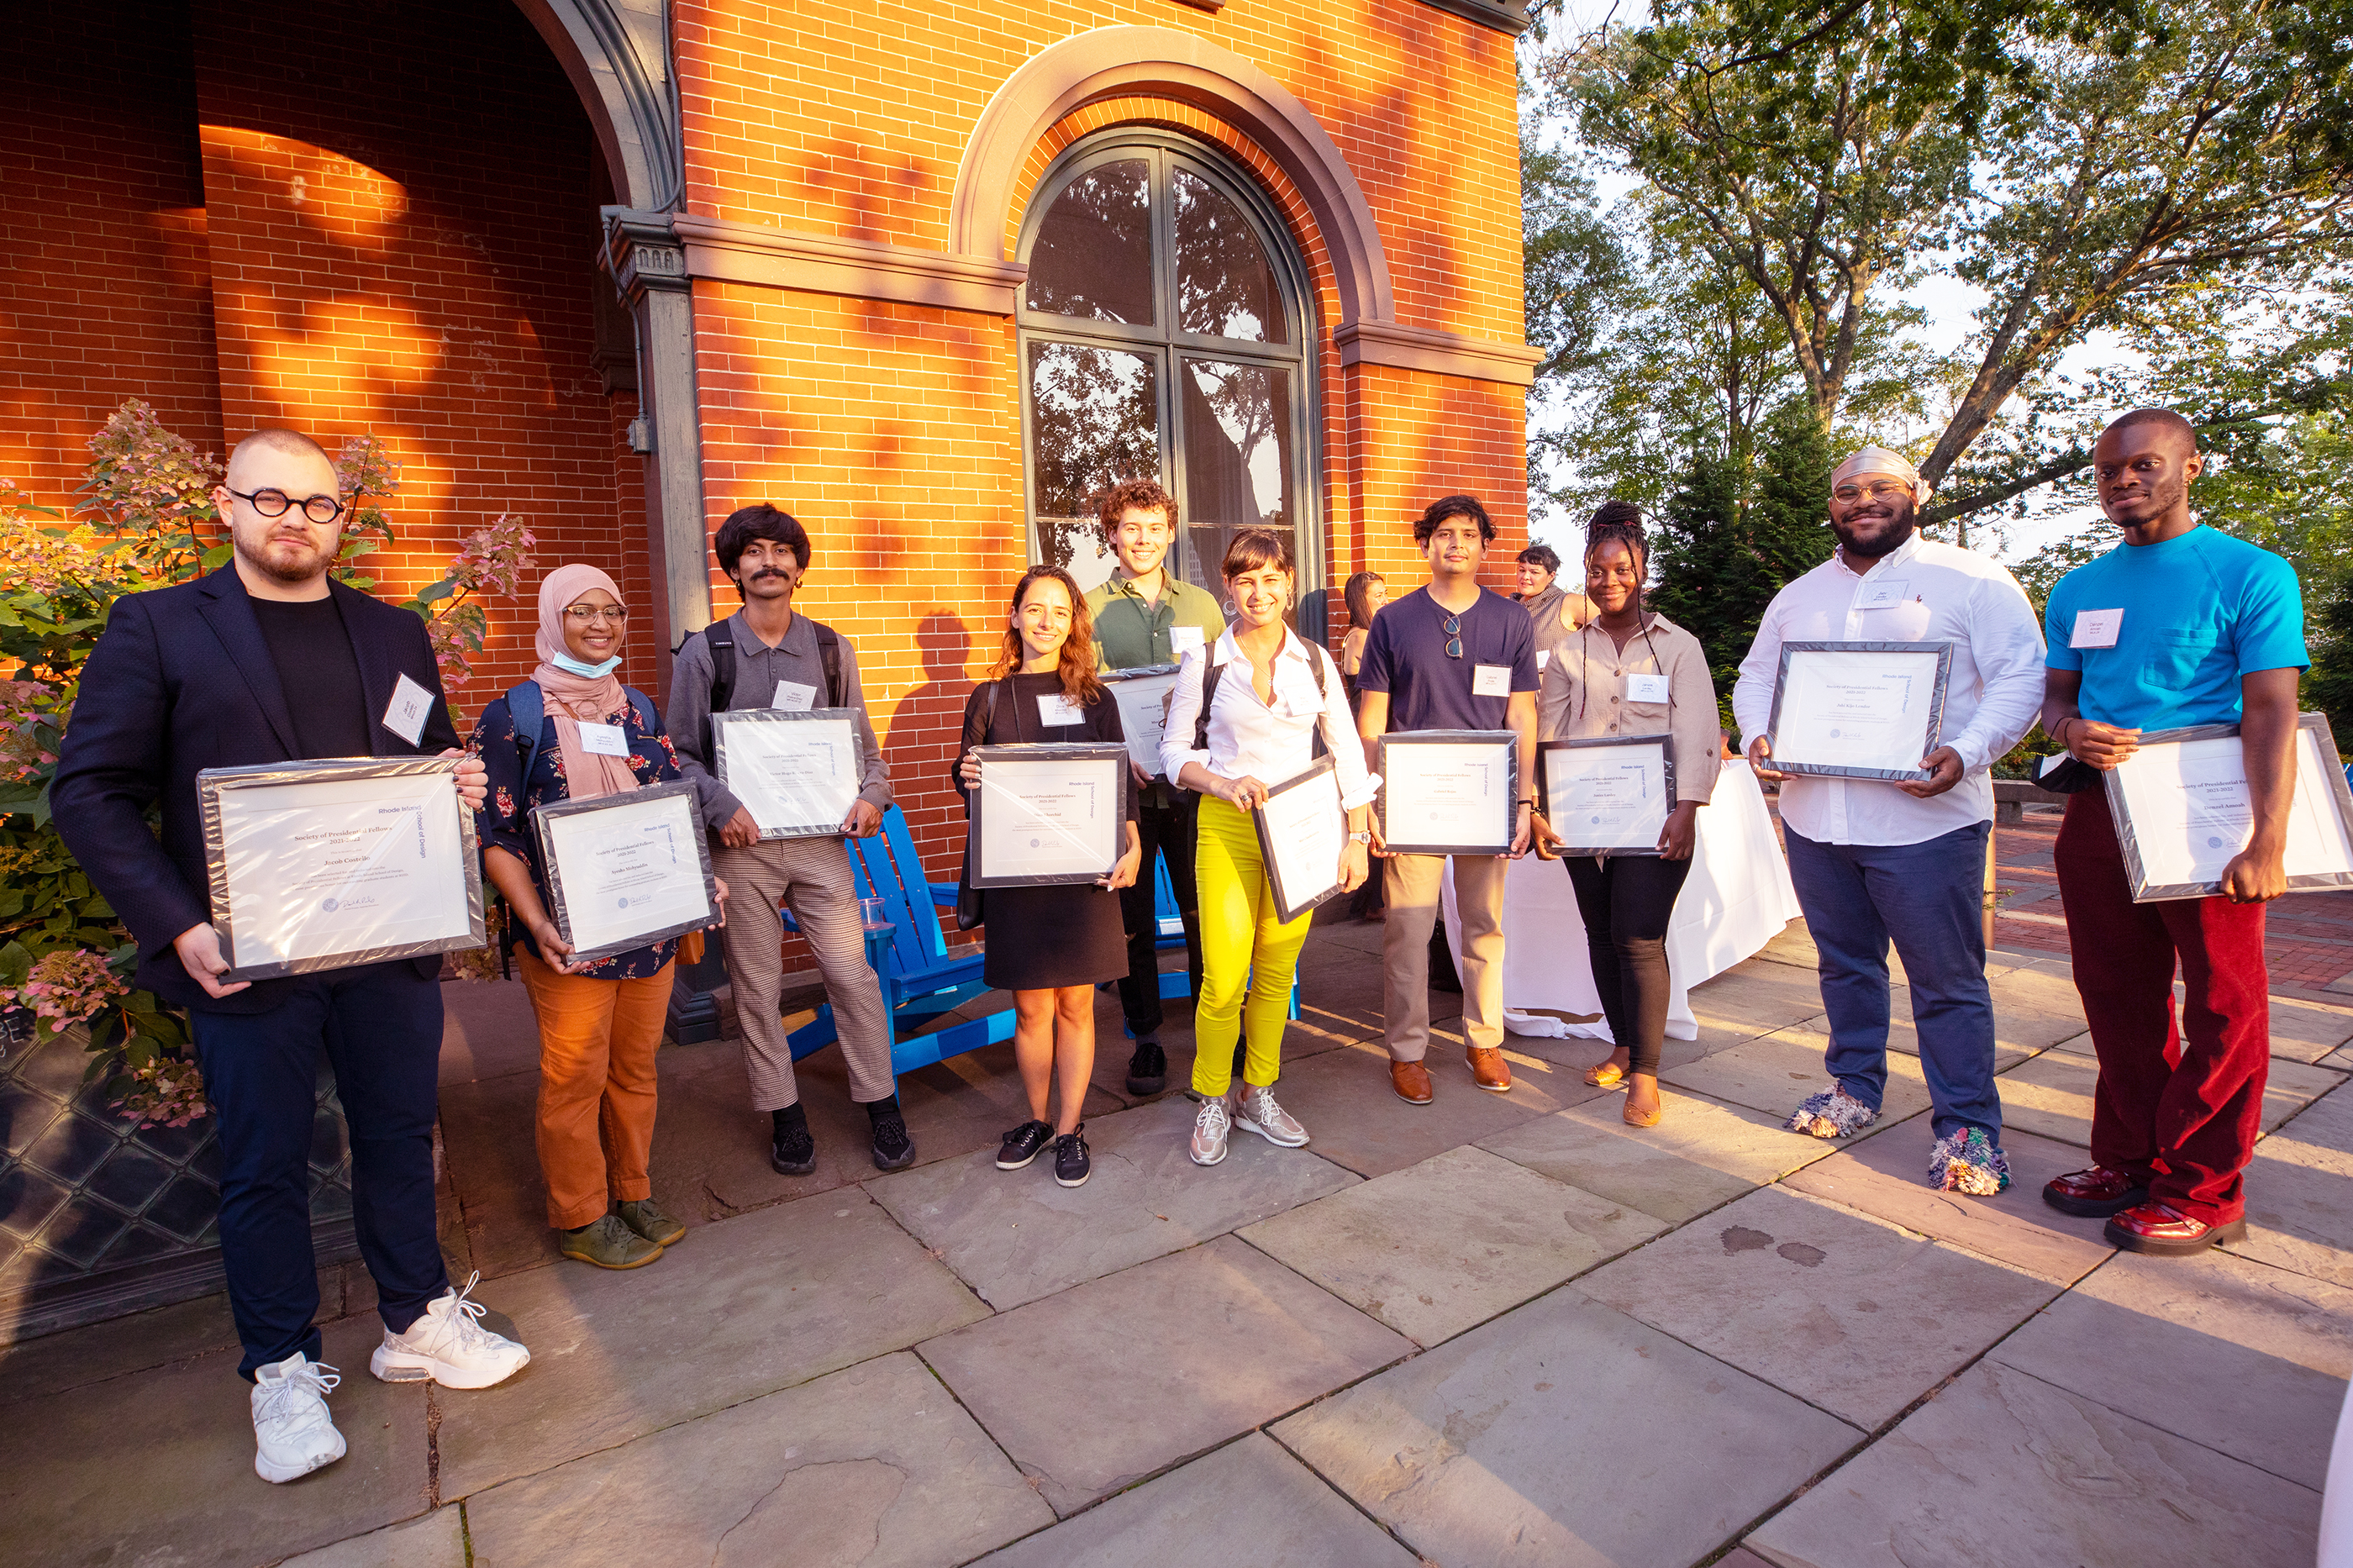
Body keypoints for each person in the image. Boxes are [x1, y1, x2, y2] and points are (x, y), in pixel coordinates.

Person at [51, 428, 529, 1486]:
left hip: (384, 946)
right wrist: (178, 923)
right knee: (264, 1165)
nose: (295, 521)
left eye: (317, 506)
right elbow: (89, 792)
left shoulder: (392, 631)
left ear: (342, 523)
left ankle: (413, 1321)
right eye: (272, 499)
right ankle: (280, 1365)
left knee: (401, 1136)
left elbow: (424, 759)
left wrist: (450, 787)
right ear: (226, 505)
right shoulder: (162, 627)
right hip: (247, 958)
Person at [1734, 445, 2045, 1192]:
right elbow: (1756, 677)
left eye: (1880, 488)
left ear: (1916, 493)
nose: (1862, 501)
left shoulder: (1971, 578)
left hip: (1925, 827)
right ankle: (1853, 1088)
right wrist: (1757, 736)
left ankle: (1968, 1126)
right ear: (1832, 507)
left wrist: (1967, 753)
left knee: (1946, 980)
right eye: (1847, 491)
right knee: (1844, 965)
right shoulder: (1800, 595)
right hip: (1817, 819)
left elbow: (2022, 676)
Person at [2038, 408, 2308, 1255]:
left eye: (2142, 466)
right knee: (2116, 996)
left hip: (2205, 810)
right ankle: (2128, 1158)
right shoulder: (2078, 587)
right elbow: (2056, 702)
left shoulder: (2250, 573)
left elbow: (2270, 710)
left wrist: (2267, 838)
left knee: (2224, 1004)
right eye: (2108, 471)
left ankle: (2204, 1189)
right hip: (2099, 809)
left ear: (2190, 468)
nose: (2122, 481)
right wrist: (2068, 730)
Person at [473, 566, 729, 1269]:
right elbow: (493, 837)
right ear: (555, 618)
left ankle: (632, 1191)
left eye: (611, 612)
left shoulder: (637, 709)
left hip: (647, 930)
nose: (599, 625)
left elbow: (672, 800)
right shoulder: (514, 716)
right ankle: (581, 1215)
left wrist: (701, 887)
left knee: (636, 1070)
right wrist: (536, 920)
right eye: (581, 612)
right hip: (567, 940)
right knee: (574, 1077)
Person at [666, 504, 913, 1180]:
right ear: (735, 566)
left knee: (851, 974)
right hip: (741, 850)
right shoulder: (706, 652)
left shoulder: (831, 648)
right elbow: (678, 755)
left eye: (781, 551)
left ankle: (881, 1103)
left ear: (800, 568)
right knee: (757, 986)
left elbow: (868, 752)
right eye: (753, 552)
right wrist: (722, 805)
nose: (768, 562)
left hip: (819, 845)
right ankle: (785, 1115)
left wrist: (871, 797)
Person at [1161, 529, 1377, 1164]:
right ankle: (1211, 1096)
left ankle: (1258, 1093)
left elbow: (1345, 752)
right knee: (1224, 978)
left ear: (1287, 581)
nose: (1259, 591)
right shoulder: (1207, 660)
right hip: (1226, 828)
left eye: (1271, 578)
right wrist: (1222, 781)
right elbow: (1172, 753)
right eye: (1245, 580)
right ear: (1229, 588)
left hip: (1300, 832)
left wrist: (1358, 836)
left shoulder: (1313, 660)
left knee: (1276, 974)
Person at [1532, 504, 1719, 1127]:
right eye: (1596, 570)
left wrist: (1688, 807)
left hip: (1656, 820)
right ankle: (1621, 1043)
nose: (1609, 580)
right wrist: (1539, 809)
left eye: (1621, 569)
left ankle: (1645, 1073)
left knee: (1639, 939)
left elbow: (1698, 734)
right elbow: (1547, 734)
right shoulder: (1565, 652)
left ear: (1642, 570)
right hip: (1583, 822)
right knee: (1601, 936)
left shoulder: (1679, 648)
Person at [959, 566, 1143, 1187]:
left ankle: (1070, 1128)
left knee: (1077, 1007)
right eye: (1034, 609)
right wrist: (970, 780)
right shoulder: (988, 698)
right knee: (1032, 1010)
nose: (1046, 621)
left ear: (1073, 625)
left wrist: (1134, 845)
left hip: (1085, 879)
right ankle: (1035, 1122)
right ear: (1014, 617)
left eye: (1060, 612)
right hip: (1020, 877)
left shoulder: (1097, 699)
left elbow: (1120, 782)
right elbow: (972, 790)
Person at [1355, 493, 1540, 1105]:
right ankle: (1407, 1050)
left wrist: (1523, 801)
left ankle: (1483, 1039)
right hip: (1412, 800)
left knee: (1484, 925)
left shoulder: (1513, 621)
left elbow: (1522, 713)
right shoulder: (1393, 622)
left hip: (1487, 799)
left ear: (1486, 546)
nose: (1456, 543)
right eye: (1444, 533)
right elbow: (1372, 720)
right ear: (1426, 544)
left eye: (1468, 533)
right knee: (1408, 931)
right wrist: (1372, 805)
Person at [1081, 478, 1224, 1097]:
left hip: (1194, 791)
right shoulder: (1085, 607)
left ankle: (1212, 1031)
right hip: (1130, 794)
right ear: (1112, 534)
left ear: (1171, 532)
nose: (1143, 539)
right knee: (1132, 921)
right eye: (1129, 527)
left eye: (1154, 527)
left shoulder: (1204, 607)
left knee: (1204, 915)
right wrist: (1119, 756)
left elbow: (1227, 691)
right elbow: (1080, 699)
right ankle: (1144, 1038)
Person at [1340, 570, 1389, 920]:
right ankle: (1373, 901)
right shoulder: (1362, 637)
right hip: (1365, 732)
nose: (1385, 601)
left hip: (1368, 730)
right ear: (1362, 600)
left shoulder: (1361, 635)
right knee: (1375, 811)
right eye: (1378, 595)